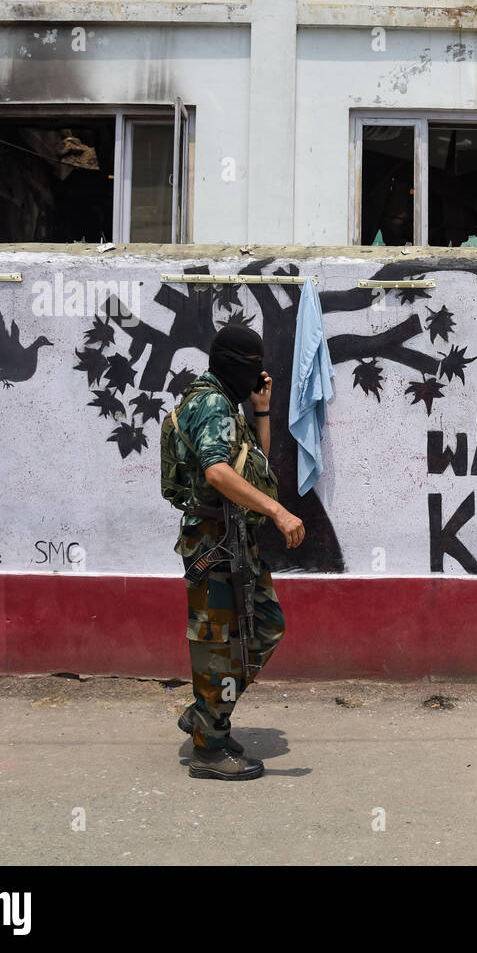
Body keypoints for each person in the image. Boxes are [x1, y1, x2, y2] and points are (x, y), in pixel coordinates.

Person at [171, 325, 305, 780]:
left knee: (265, 628)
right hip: (213, 540)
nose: (258, 373)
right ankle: (210, 749)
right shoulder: (209, 404)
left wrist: (261, 411)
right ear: (233, 363)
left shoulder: (227, 403)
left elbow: (254, 466)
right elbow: (216, 473)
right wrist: (279, 513)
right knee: (219, 650)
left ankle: (204, 714)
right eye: (252, 365)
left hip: (233, 539)